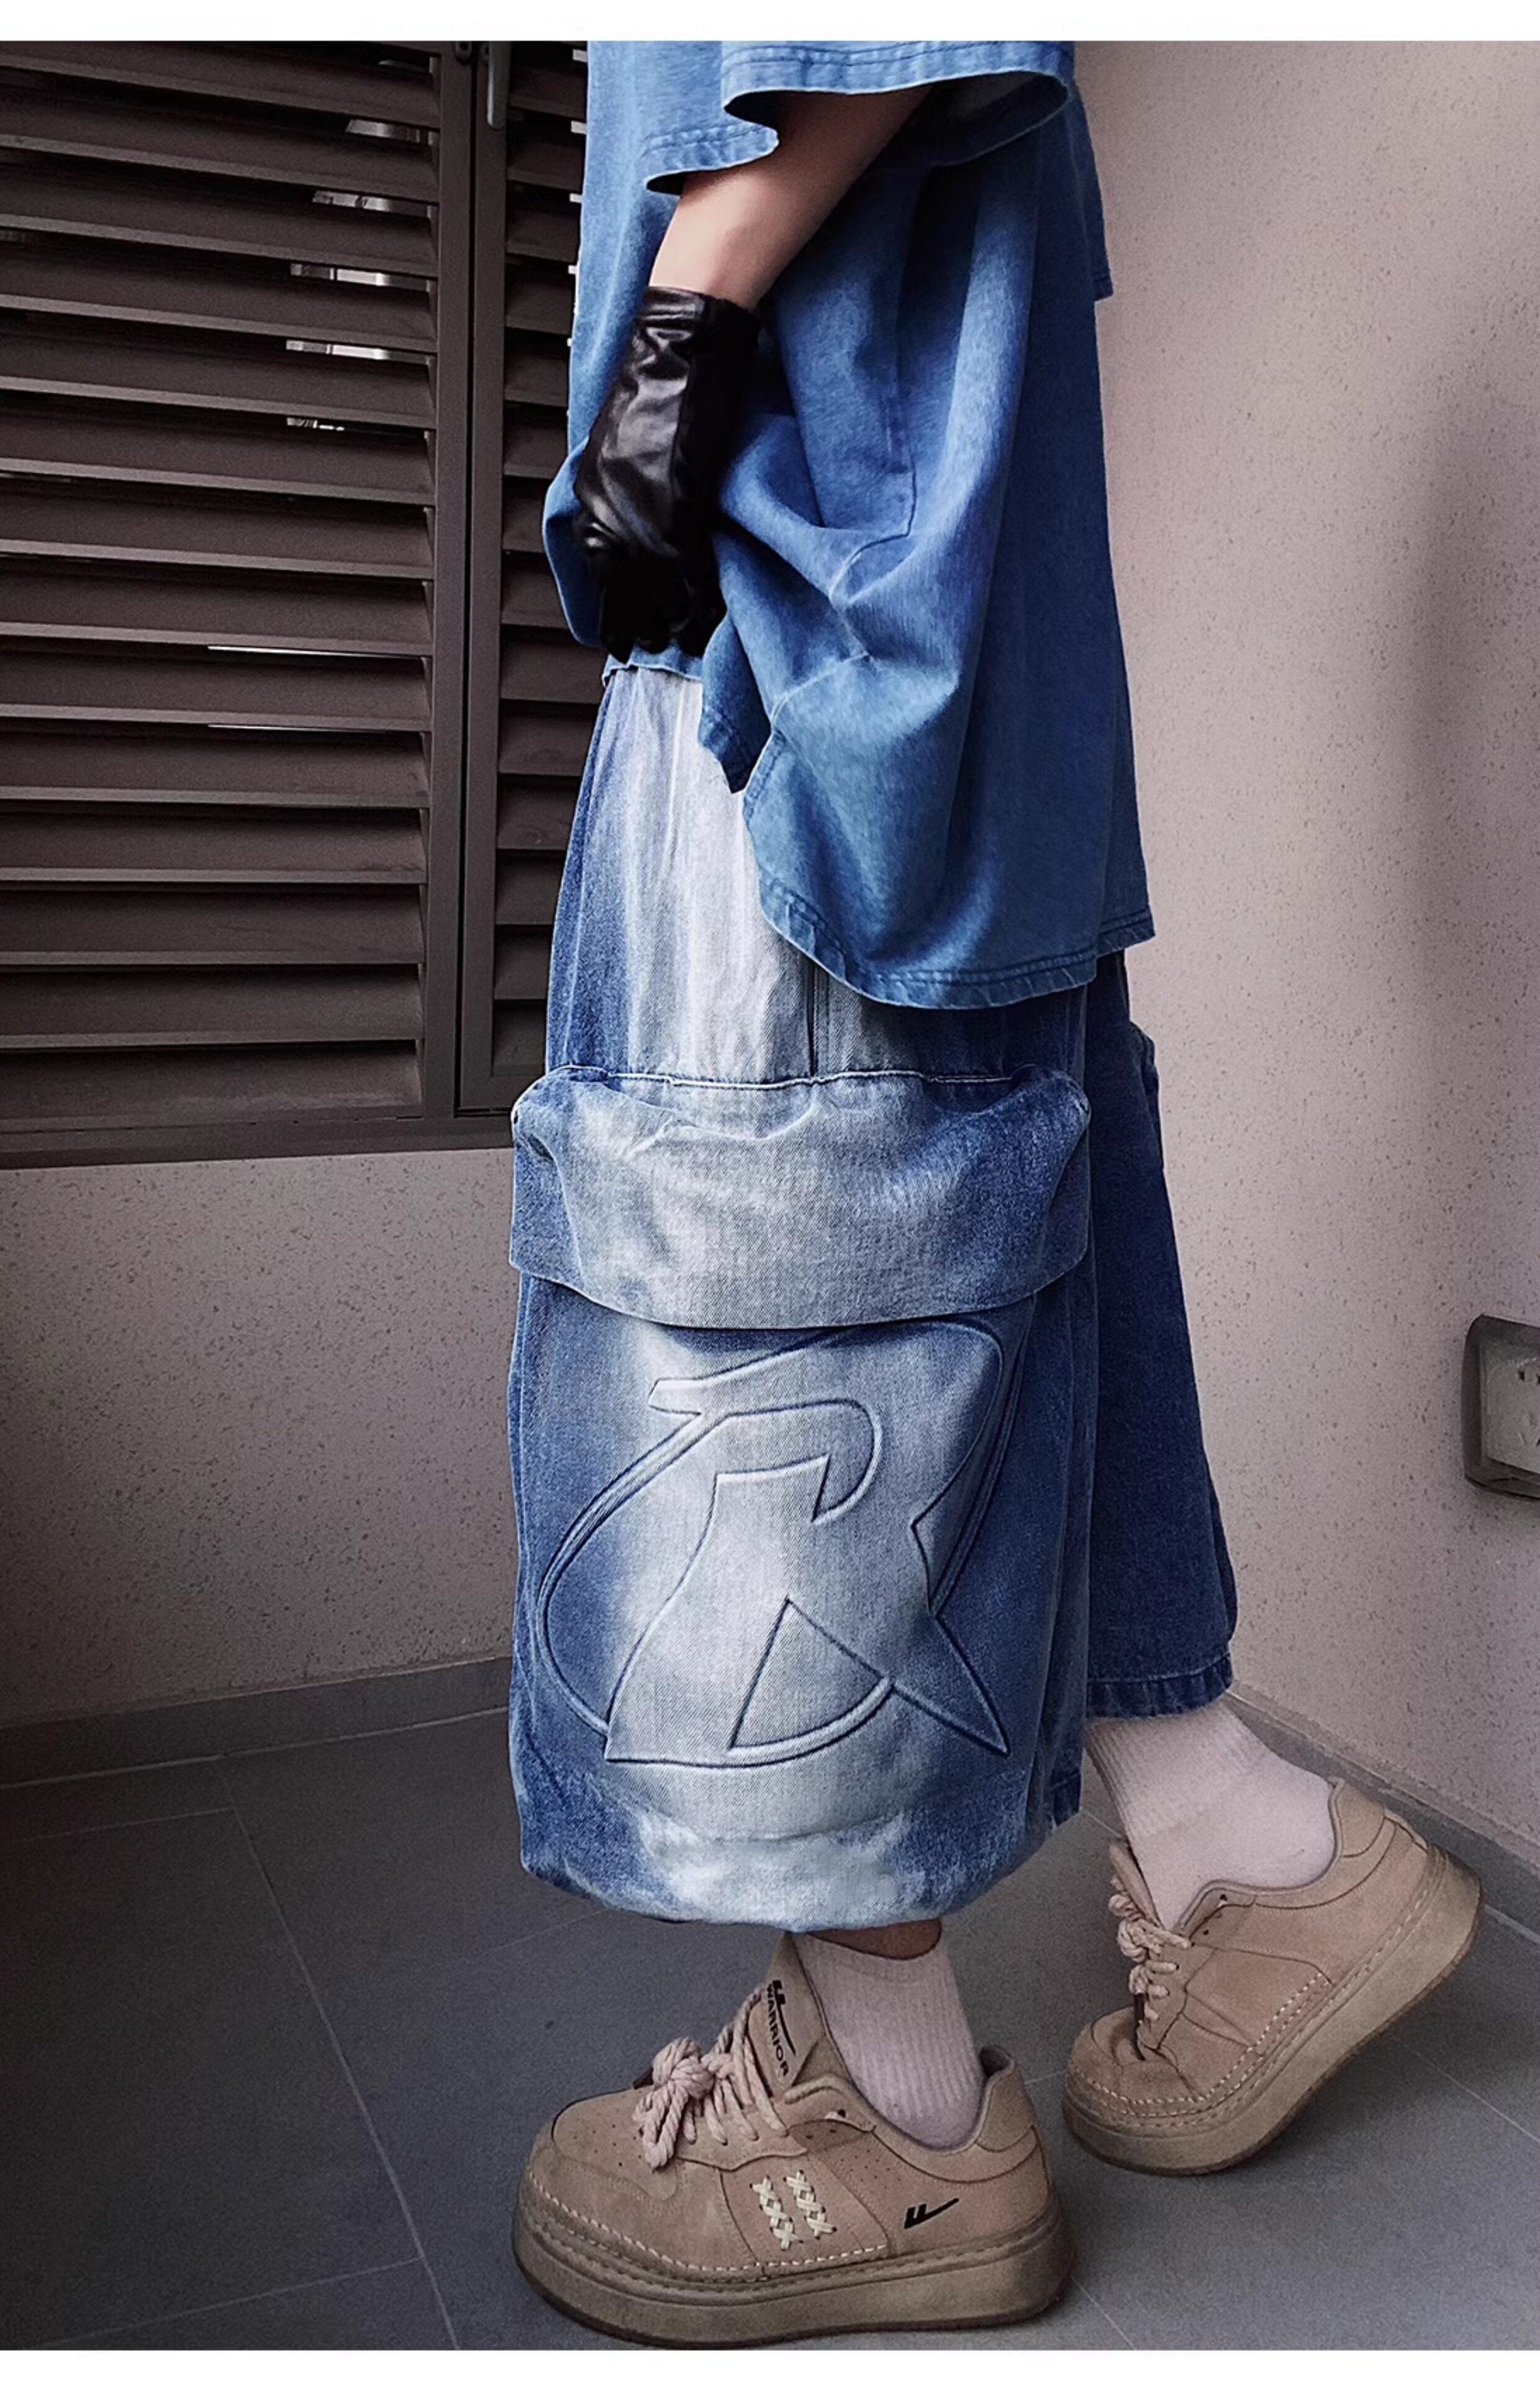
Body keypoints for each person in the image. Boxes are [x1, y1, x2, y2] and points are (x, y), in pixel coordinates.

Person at [505, 41, 1483, 2345]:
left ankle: (893, 2115)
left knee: (801, 1251)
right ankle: (1232, 1835)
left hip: (803, 584)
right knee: (1003, 1190)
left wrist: (684, 324)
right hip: (920, 582)